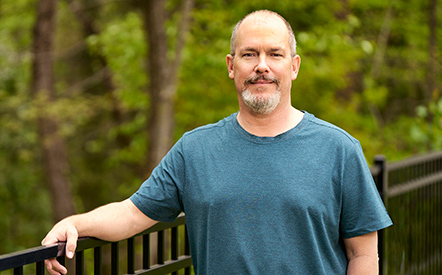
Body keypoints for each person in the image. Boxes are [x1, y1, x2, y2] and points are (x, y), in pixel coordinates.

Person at [42, 10, 392, 275]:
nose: (262, 67)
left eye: (275, 54)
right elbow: (132, 213)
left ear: (294, 66)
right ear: (231, 65)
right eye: (249, 54)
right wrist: (74, 223)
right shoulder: (195, 150)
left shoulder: (339, 150)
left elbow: (363, 253)